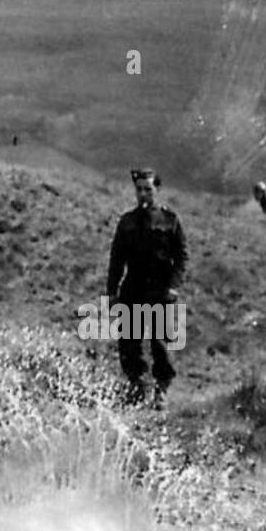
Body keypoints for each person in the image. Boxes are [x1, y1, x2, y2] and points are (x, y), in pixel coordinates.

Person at [105, 167, 187, 407]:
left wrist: (173, 287)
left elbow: (182, 257)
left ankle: (162, 390)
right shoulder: (127, 221)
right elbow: (116, 258)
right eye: (139, 189)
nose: (143, 194)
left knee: (160, 343)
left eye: (148, 189)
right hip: (133, 289)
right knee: (129, 342)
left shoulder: (170, 220)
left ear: (157, 190)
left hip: (160, 290)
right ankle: (137, 387)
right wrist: (111, 291)